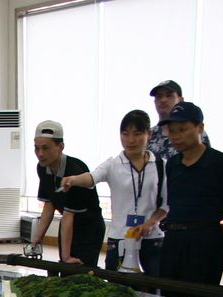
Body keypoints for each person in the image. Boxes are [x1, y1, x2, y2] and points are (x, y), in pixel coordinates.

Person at [62, 110, 166, 275]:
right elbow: (92, 177)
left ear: (149, 134)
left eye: (137, 134)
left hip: (151, 238)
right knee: (118, 286)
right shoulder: (113, 164)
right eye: (125, 134)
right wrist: (74, 179)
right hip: (119, 238)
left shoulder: (161, 166)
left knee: (154, 286)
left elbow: (166, 204)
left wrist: (150, 223)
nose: (130, 140)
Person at [158, 101, 223, 297]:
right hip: (174, 238)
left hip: (205, 240)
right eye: (172, 131)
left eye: (182, 129)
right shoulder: (173, 164)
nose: (176, 136)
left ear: (200, 128)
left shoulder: (220, 162)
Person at [29, 120, 104, 266]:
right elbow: (49, 204)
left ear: (61, 147)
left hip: (89, 228)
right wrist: (38, 237)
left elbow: (69, 215)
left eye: (46, 148)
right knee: (65, 268)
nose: (40, 154)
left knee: (80, 271)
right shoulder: (42, 167)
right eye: (36, 148)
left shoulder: (76, 170)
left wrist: (66, 256)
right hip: (67, 226)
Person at [149, 80, 210, 160]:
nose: (163, 100)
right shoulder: (148, 135)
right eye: (159, 96)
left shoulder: (195, 132)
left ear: (180, 100)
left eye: (169, 95)